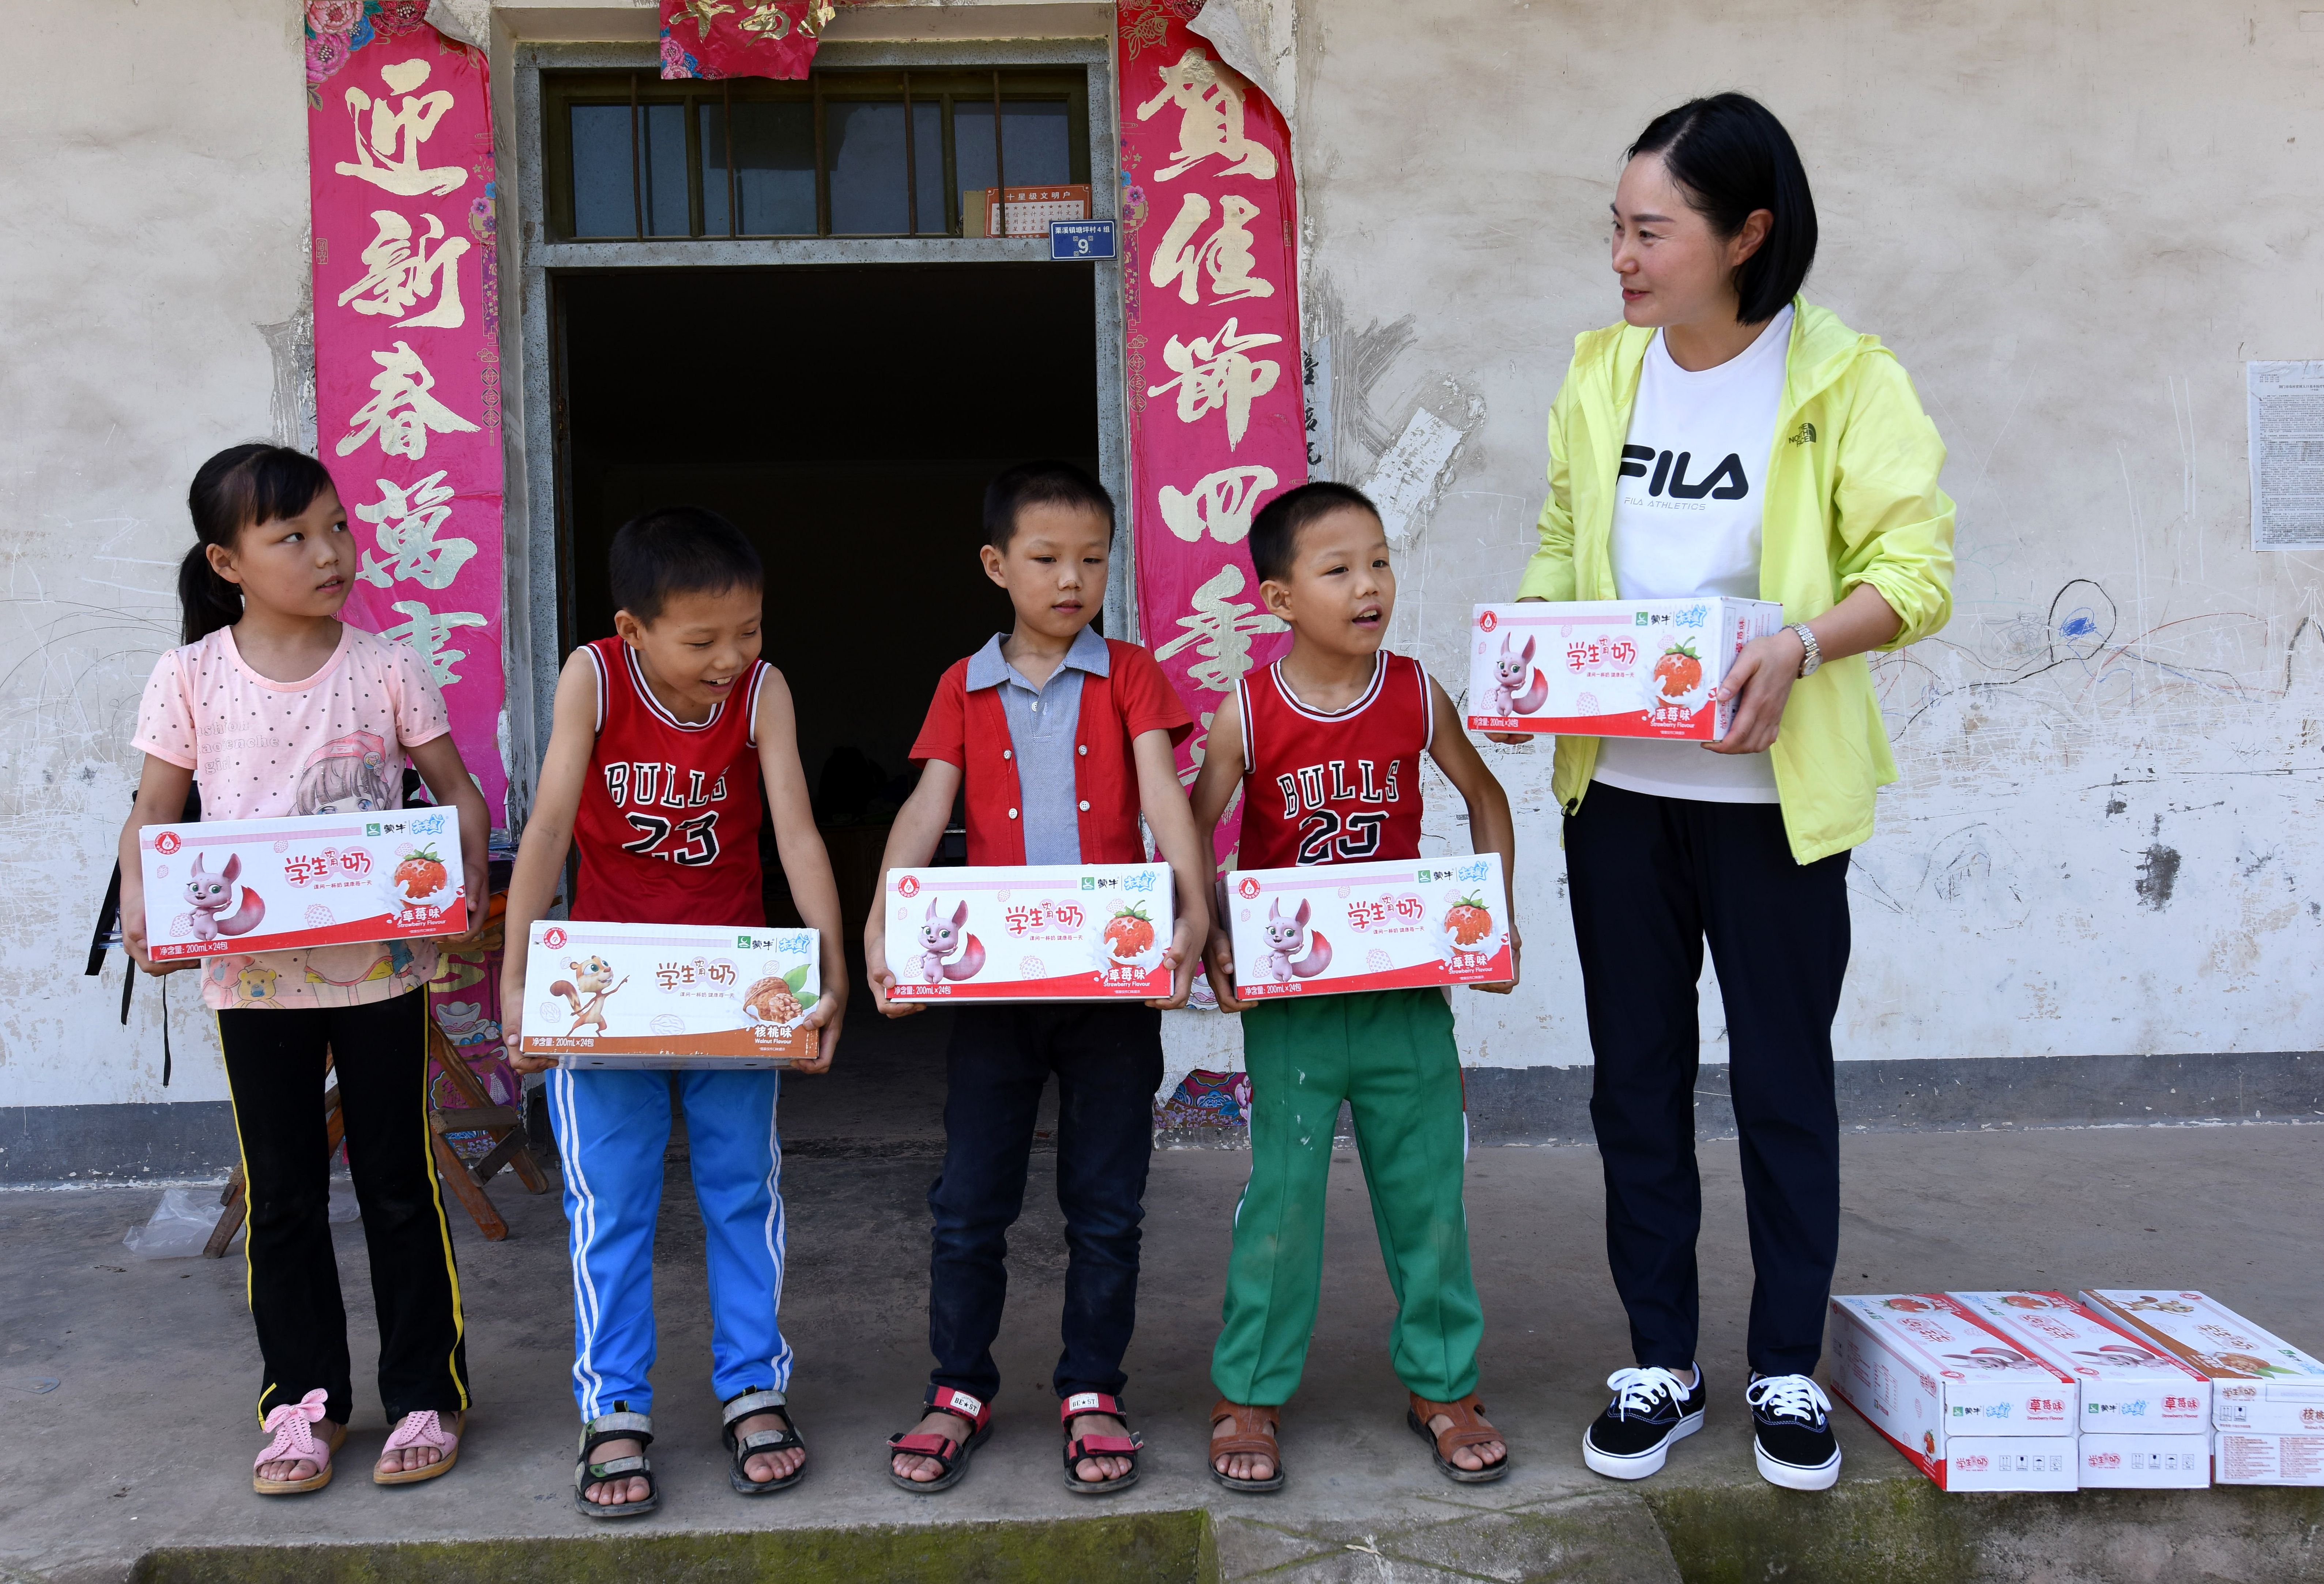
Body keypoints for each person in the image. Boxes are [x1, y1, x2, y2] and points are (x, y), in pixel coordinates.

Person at [1512, 93, 1954, 1491]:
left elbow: (1915, 571)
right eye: (1617, 228)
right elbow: (1565, 537)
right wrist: (1536, 650)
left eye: (1652, 231)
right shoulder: (1601, 373)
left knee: (1780, 1083)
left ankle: (1780, 1369)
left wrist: (1802, 645)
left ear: (1745, 234)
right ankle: (1658, 1357)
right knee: (1631, 1085)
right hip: (1619, 798)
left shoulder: (1841, 379)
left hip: (1772, 805)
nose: (1623, 258)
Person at [117, 444, 491, 1495]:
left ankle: (427, 1391)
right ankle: (301, 1404)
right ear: (226, 561)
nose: (329, 552)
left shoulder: (387, 666)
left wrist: (460, 872)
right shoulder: (189, 675)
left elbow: (456, 791)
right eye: (292, 537)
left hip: (383, 972)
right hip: (254, 980)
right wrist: (145, 899)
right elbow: (153, 815)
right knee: (281, 1191)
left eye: (336, 526)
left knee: (398, 1182)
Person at [868, 461, 1209, 1496]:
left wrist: (1191, 911)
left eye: (1093, 559)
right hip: (995, 995)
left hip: (1110, 991)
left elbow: (1163, 797)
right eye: (1047, 558)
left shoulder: (1132, 675)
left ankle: (1091, 1389)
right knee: (970, 1201)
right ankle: (957, 1387)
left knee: (1106, 1205)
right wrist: (886, 916)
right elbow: (927, 810)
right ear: (995, 564)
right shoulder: (960, 686)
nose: (1072, 579)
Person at [501, 506, 849, 1517]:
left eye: (750, 631)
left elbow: (796, 829)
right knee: (610, 1207)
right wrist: (518, 982)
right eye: (704, 640)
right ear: (635, 629)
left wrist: (827, 975)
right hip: (602, 992)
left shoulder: (763, 694)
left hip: (732, 989)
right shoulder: (593, 676)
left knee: (741, 1192)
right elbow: (552, 823)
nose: (732, 657)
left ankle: (753, 1387)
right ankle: (614, 1408)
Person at [1192, 481, 1521, 1493]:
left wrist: (1490, 919)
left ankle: (1443, 1383)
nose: (1368, 584)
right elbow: (1195, 829)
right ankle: (1246, 1392)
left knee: (1428, 1198)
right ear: (1281, 599)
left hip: (1407, 1003)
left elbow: (1484, 794)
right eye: (1338, 569)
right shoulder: (1245, 710)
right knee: (1281, 1205)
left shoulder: (1416, 691)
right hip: (1292, 1013)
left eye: (1378, 560)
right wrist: (1211, 940)